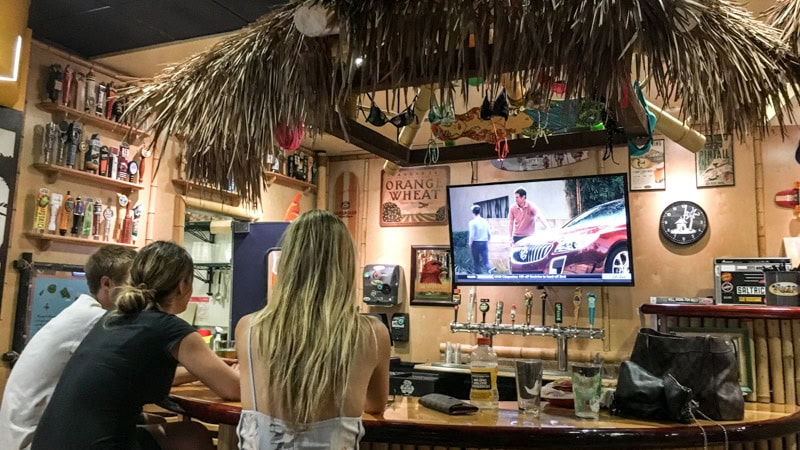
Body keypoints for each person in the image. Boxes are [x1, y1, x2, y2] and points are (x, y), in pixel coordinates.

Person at [31, 241, 240, 450]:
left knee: (187, 433)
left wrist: (202, 370)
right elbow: (234, 389)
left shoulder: (113, 319)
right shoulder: (171, 328)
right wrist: (242, 371)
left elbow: (130, 374)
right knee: (192, 438)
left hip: (48, 442)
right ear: (183, 286)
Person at [236, 209, 391, 448]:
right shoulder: (371, 333)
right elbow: (375, 404)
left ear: (288, 262)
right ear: (346, 264)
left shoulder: (249, 328)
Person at [0, 245, 136, 450]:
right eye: (133, 285)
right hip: (36, 441)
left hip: (20, 437)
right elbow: (139, 372)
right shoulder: (97, 321)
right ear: (106, 283)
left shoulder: (81, 313)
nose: (140, 293)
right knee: (188, 435)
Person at [468, 204, 492, 274]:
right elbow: (489, 233)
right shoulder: (485, 221)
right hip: (484, 242)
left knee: (476, 261)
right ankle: (490, 270)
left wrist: (470, 243)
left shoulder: (472, 222)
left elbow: (471, 235)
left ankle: (478, 276)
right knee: (486, 261)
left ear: (472, 212)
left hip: (475, 243)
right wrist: (488, 240)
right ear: (479, 212)